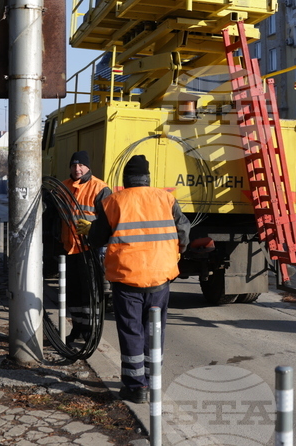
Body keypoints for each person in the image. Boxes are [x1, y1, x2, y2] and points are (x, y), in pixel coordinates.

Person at [88, 154, 191, 404]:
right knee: (155, 330)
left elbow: (96, 239)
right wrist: (179, 250)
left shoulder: (113, 201)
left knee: (132, 330)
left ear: (126, 179)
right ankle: (153, 379)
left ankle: (136, 387)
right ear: (147, 178)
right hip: (160, 278)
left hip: (127, 279)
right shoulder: (166, 198)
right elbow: (184, 231)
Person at [42, 150, 111, 345]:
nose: (77, 169)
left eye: (81, 165)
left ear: (88, 167)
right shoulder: (63, 187)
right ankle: (78, 330)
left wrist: (94, 231)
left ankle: (90, 332)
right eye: (74, 165)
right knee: (73, 294)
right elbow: (50, 213)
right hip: (69, 249)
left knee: (90, 294)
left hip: (90, 250)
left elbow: (108, 220)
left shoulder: (100, 188)